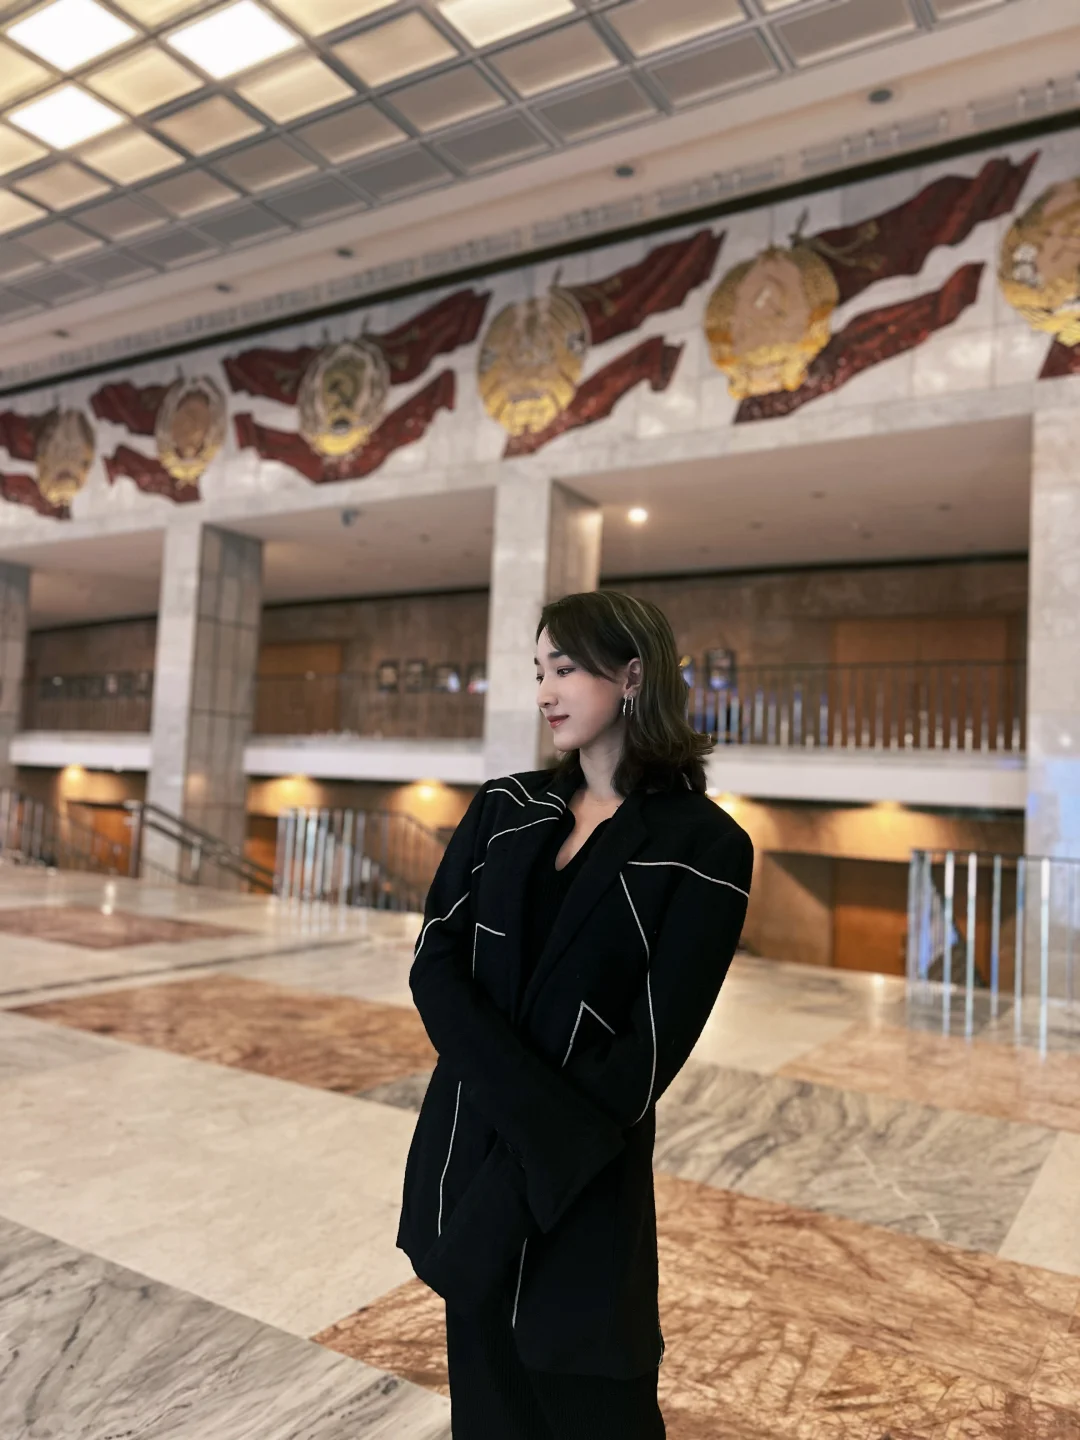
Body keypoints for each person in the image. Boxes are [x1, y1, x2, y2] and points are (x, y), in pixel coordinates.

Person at [396, 589, 754, 1439]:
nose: (545, 692)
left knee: (595, 1406)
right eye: (538, 672)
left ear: (631, 675)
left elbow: (645, 1053)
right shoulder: (503, 808)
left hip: (583, 1193)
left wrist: (516, 1189)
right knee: (488, 1415)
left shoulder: (706, 846)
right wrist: (498, 1178)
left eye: (563, 669)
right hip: (466, 1165)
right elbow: (436, 967)